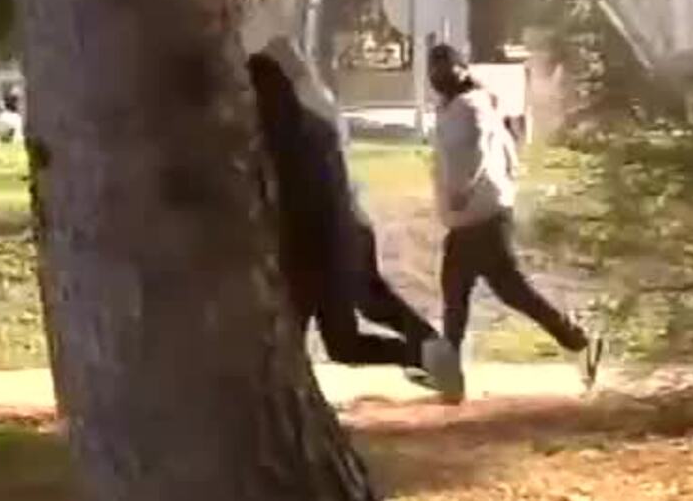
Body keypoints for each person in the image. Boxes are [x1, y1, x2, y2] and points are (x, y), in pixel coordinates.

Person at [248, 49, 444, 379]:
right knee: (371, 310)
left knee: (341, 340)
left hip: (320, 247)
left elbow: (300, 204)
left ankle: (428, 354)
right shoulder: (315, 125)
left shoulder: (277, 143)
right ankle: (432, 352)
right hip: (348, 232)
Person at [430, 43, 600, 403]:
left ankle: (451, 380)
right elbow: (503, 152)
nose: (437, 74)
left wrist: (462, 189)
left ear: (462, 68)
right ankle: (577, 340)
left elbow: (475, 150)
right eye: (434, 66)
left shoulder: (471, 106)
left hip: (478, 215)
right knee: (508, 291)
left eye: (445, 65)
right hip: (483, 213)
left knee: (457, 293)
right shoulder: (460, 106)